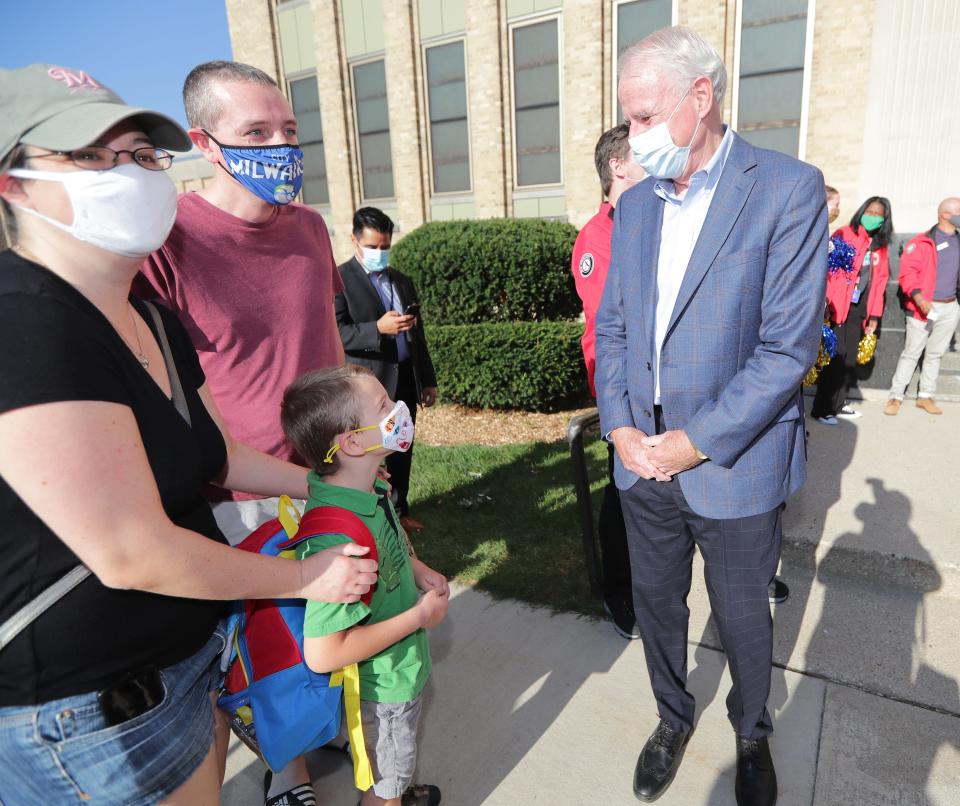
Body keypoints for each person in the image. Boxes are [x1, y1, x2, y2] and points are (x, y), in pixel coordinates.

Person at [0, 64, 376, 806]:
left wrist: (325, 480)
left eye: (140, 155)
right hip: (91, 713)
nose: (129, 174)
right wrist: (305, 577)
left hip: (183, 661)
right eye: (89, 156)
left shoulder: (148, 318)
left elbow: (216, 451)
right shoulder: (26, 323)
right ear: (13, 183)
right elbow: (130, 550)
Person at [595, 27, 826, 806]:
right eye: (627, 120)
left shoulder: (787, 189)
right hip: (641, 461)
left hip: (733, 464)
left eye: (645, 116)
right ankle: (671, 717)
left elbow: (786, 350)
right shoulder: (635, 209)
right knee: (659, 610)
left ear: (702, 97)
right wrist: (622, 429)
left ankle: (752, 731)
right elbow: (615, 329)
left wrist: (693, 444)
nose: (634, 137)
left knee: (743, 619)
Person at [134, 61, 347, 805]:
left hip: (332, 469)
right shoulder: (167, 241)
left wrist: (359, 440)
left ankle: (320, 728)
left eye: (288, 129)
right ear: (206, 143)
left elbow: (326, 341)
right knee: (247, 651)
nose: (282, 146)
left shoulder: (312, 228)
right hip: (240, 489)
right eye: (257, 132)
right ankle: (285, 782)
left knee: (328, 619)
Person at [281, 365, 446, 806]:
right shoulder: (342, 541)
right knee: (383, 787)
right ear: (352, 442)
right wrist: (418, 617)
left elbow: (392, 538)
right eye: (383, 406)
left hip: (394, 674)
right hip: (383, 690)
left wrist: (416, 568)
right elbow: (324, 653)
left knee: (387, 769)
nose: (398, 410)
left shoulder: (365, 484)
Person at [570, 124, 645, 639]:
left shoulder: (644, 221)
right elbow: (615, 322)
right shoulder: (600, 236)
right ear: (618, 166)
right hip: (623, 387)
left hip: (653, 382)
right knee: (623, 493)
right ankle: (618, 591)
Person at [335, 207, 438, 532]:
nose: (380, 253)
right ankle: (370, 516)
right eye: (373, 247)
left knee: (401, 447)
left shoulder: (402, 282)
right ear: (355, 240)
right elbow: (337, 333)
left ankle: (400, 509)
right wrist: (377, 329)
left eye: (385, 247)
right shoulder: (339, 281)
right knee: (369, 454)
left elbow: (416, 334)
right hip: (368, 385)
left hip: (405, 377)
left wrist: (428, 380)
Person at [812, 196, 892, 424]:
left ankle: (838, 404)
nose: (873, 217)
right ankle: (822, 408)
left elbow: (880, 284)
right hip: (838, 306)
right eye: (870, 211)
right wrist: (825, 302)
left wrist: (875, 314)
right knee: (837, 357)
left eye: (879, 215)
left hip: (860, 309)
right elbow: (828, 271)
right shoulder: (845, 234)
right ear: (862, 211)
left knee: (849, 360)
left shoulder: (880, 247)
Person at [885, 197, 960, 416]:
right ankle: (895, 397)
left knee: (935, 354)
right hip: (923, 308)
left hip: (950, 307)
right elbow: (908, 274)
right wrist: (920, 301)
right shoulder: (922, 241)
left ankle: (925, 396)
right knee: (911, 354)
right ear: (945, 214)